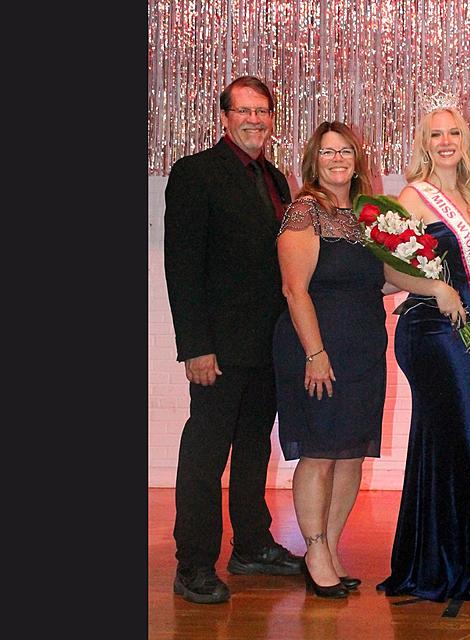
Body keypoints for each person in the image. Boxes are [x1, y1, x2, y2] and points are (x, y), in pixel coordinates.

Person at [164, 75, 302, 605]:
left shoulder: (275, 179)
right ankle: (194, 562)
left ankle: (251, 545)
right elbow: (183, 267)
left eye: (263, 112)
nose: (254, 120)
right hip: (217, 349)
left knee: (251, 452)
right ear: (224, 118)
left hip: (268, 345)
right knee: (204, 454)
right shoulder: (196, 173)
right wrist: (195, 345)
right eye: (244, 111)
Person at [377, 95, 470, 602]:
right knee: (453, 439)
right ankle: (452, 565)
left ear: (464, 142)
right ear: (424, 144)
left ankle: (431, 561)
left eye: (453, 134)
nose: (445, 142)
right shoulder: (410, 197)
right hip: (428, 330)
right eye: (434, 134)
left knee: (440, 439)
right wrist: (437, 289)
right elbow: (389, 270)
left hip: (463, 333)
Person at [272, 121, 385, 599]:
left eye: (345, 152)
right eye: (327, 153)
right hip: (316, 349)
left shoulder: (366, 215)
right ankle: (313, 549)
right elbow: (294, 289)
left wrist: (436, 281)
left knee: (351, 454)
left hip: (363, 348)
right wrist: (315, 354)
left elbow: (375, 281)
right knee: (319, 453)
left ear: (357, 159)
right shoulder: (305, 211)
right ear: (314, 161)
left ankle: (331, 547)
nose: (338, 160)